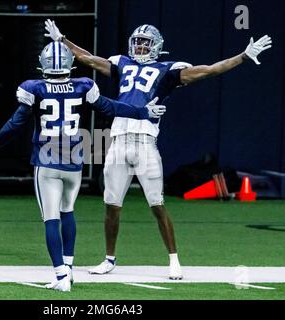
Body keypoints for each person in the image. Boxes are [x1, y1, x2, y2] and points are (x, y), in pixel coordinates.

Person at [44, 19, 272, 279]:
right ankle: (109, 258)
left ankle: (174, 259)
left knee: (157, 204)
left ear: (157, 46)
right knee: (111, 205)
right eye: (137, 41)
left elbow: (208, 70)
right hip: (118, 140)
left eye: (145, 42)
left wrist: (242, 56)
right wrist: (62, 40)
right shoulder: (121, 63)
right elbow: (89, 59)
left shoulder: (169, 70)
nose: (140, 46)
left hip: (145, 144)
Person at [0, 41, 166, 292]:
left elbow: (16, 123)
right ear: (70, 63)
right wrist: (143, 112)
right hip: (74, 163)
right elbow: (111, 107)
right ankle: (68, 269)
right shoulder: (83, 86)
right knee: (68, 211)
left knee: (50, 218)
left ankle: (60, 276)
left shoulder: (33, 88)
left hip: (47, 163)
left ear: (43, 63)